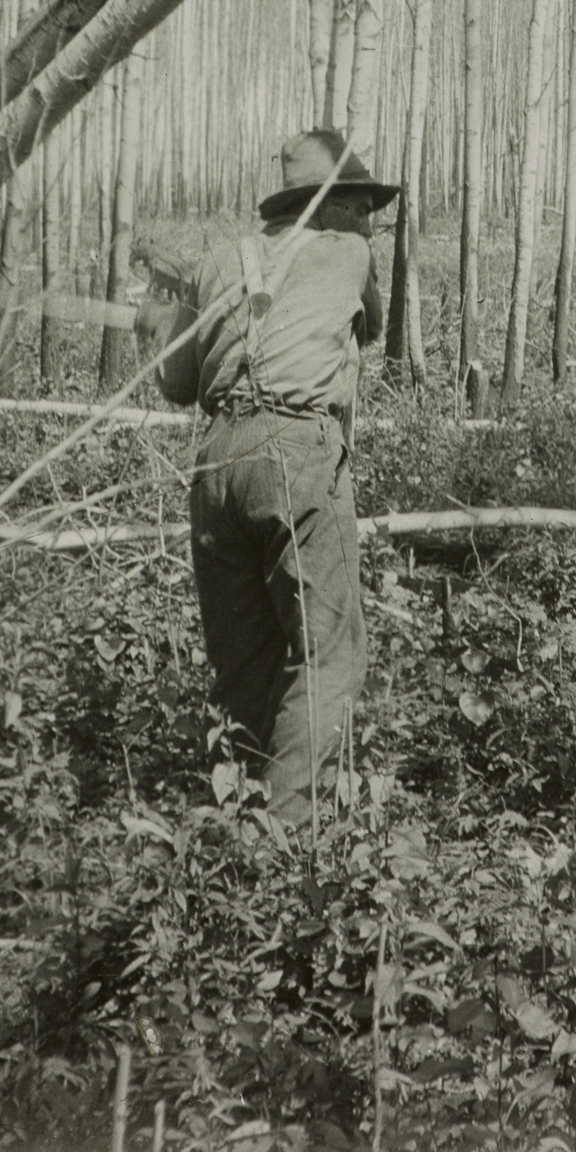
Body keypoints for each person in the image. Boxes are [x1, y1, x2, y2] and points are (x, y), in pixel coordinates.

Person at [135, 129, 396, 836]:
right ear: (332, 204)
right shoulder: (351, 251)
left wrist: (161, 322)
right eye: (361, 204)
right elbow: (372, 326)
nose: (369, 219)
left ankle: (245, 807)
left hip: (216, 463)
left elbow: (180, 385)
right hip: (296, 454)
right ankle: (280, 844)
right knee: (330, 653)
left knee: (245, 658)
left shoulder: (221, 259)